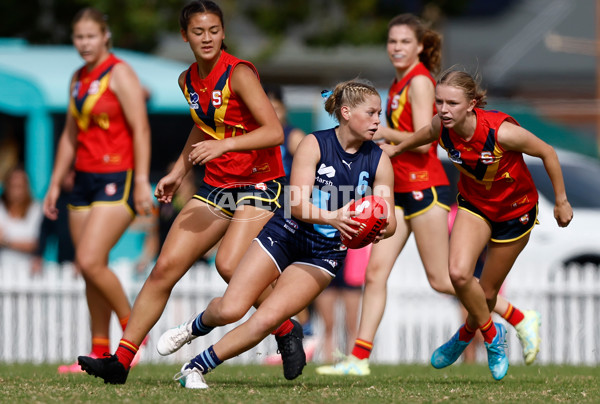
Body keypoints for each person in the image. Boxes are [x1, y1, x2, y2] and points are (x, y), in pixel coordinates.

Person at [77, 0, 302, 384]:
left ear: (223, 32)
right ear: (185, 36)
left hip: (260, 183)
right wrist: (179, 171)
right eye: (198, 32)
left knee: (230, 266)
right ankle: (121, 361)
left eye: (214, 30)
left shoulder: (240, 73)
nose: (207, 38)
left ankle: (285, 328)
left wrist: (224, 147)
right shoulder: (187, 80)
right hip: (217, 184)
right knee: (164, 268)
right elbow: (203, 126)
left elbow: (274, 131)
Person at [317, 14, 542, 376]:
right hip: (400, 189)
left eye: (405, 42)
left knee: (443, 279)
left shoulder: (421, 82)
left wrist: (373, 128)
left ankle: (519, 316)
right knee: (375, 274)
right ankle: (359, 359)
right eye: (392, 42)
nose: (396, 48)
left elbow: (427, 141)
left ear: (420, 46)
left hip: (426, 187)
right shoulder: (401, 80)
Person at [158, 79, 396, 389]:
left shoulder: (379, 160)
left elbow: (388, 220)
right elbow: (296, 204)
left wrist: (374, 227)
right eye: (372, 113)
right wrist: (336, 217)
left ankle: (195, 367)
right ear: (347, 112)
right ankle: (195, 325)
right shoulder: (314, 143)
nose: (378, 121)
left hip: (324, 253)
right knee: (231, 308)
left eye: (379, 114)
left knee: (268, 318)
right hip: (287, 231)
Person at [382, 69, 573, 380]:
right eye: (439, 101)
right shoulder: (442, 127)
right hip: (475, 206)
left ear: (471, 104)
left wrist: (562, 201)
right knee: (457, 274)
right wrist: (396, 148)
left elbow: (547, 152)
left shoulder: (501, 132)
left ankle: (463, 336)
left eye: (452, 103)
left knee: (485, 294)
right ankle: (493, 340)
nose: (443, 109)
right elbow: (424, 134)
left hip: (515, 212)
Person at [42, 7, 153, 373]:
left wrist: (140, 181)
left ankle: (131, 328)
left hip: (116, 177)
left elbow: (141, 128)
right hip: (83, 180)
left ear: (105, 36)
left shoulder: (120, 73)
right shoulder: (77, 77)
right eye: (78, 37)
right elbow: (71, 135)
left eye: (91, 36)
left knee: (89, 260)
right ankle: (100, 352)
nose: (84, 43)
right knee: (91, 268)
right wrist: (55, 182)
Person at [314, 245, 368, 363]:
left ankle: (353, 362)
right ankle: (329, 361)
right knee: (328, 324)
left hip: (353, 262)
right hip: (325, 259)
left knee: (352, 325)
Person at [0, 166, 43, 277]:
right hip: (3, 272)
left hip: (28, 273)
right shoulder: (1, 209)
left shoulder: (35, 209)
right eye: (13, 186)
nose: (16, 191)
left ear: (26, 187)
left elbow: (34, 244)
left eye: (19, 186)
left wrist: (5, 241)